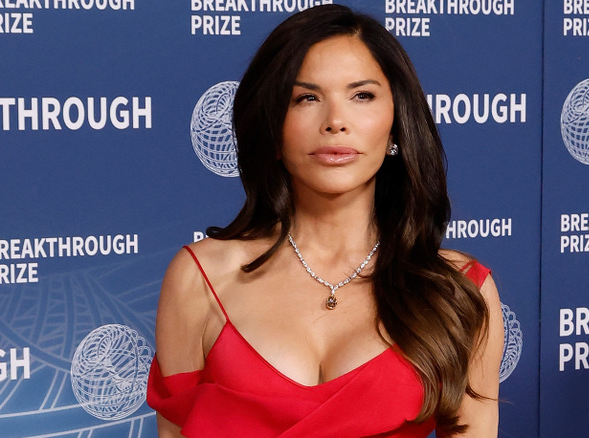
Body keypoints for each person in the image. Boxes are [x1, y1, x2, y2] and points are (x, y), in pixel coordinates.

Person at [147, 4, 503, 437]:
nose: (335, 122)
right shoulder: (200, 278)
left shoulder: (458, 291)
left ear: (396, 124)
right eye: (307, 98)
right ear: (273, 127)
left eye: (362, 96)